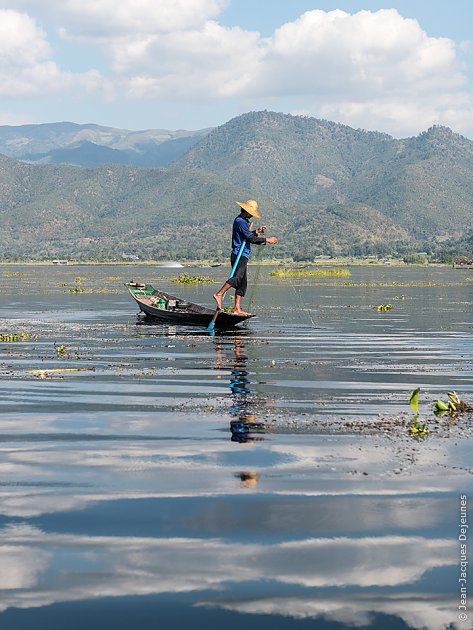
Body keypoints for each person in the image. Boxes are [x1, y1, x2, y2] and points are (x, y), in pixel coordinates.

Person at [213, 199, 278, 315]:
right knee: (237, 278)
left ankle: (237, 308)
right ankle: (219, 294)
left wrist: (256, 231)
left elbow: (247, 236)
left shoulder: (244, 221)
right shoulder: (240, 221)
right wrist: (267, 240)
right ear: (246, 211)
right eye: (251, 213)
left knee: (243, 283)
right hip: (239, 254)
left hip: (244, 254)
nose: (252, 216)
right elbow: (249, 239)